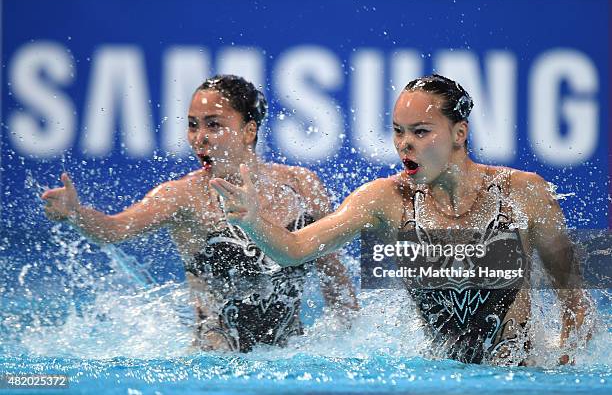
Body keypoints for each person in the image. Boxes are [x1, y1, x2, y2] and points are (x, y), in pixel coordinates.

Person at [210, 74, 592, 365]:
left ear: (459, 133)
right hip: (441, 377)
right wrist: (253, 222)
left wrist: (564, 364)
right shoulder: (385, 199)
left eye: (421, 132)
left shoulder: (523, 192)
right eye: (398, 131)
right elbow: (294, 250)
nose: (404, 144)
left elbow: (574, 297)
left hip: (517, 378)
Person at [41, 74, 358, 353]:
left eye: (213, 125)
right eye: (193, 125)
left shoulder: (302, 185)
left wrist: (349, 341)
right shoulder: (181, 197)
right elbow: (114, 229)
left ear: (249, 131)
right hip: (214, 362)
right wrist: (77, 213)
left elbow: (334, 276)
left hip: (290, 357)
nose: (199, 137)